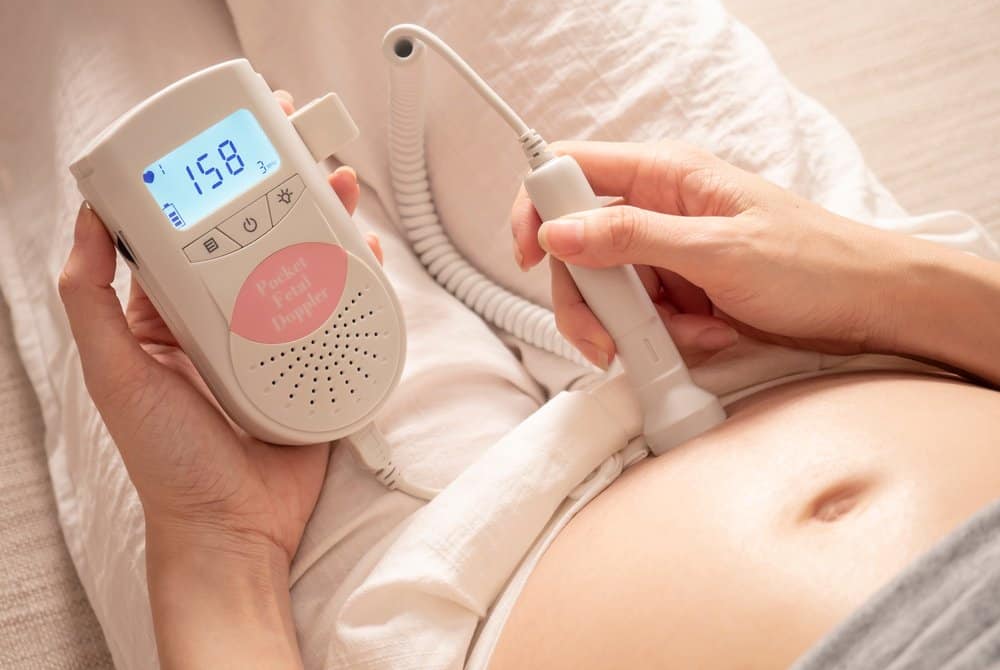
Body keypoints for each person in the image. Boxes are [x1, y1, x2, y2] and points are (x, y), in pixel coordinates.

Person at [58, 95, 1000, 668]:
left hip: (438, 591)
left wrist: (219, 544)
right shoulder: (868, 290)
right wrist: (872, 274)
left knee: (77, 13)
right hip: (884, 333)